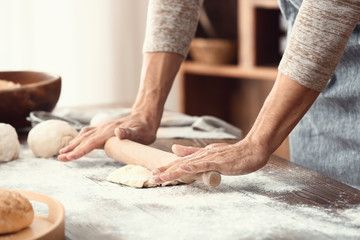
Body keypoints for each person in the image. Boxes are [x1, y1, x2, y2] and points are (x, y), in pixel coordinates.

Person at [58, 0, 360, 189]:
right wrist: (145, 110)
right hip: (317, 83)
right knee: (326, 200)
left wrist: (258, 141)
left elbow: (334, 4)